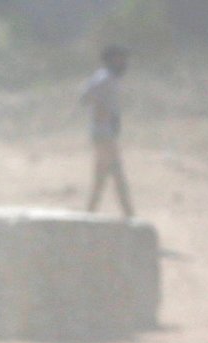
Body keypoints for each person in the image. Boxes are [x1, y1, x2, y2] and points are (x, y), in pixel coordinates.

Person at [81, 45, 134, 218]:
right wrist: (101, 112)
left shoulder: (109, 78)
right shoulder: (105, 78)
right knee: (117, 173)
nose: (124, 62)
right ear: (111, 60)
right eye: (120, 58)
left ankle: (88, 215)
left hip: (105, 132)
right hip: (103, 133)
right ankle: (130, 216)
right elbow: (86, 97)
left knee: (101, 177)